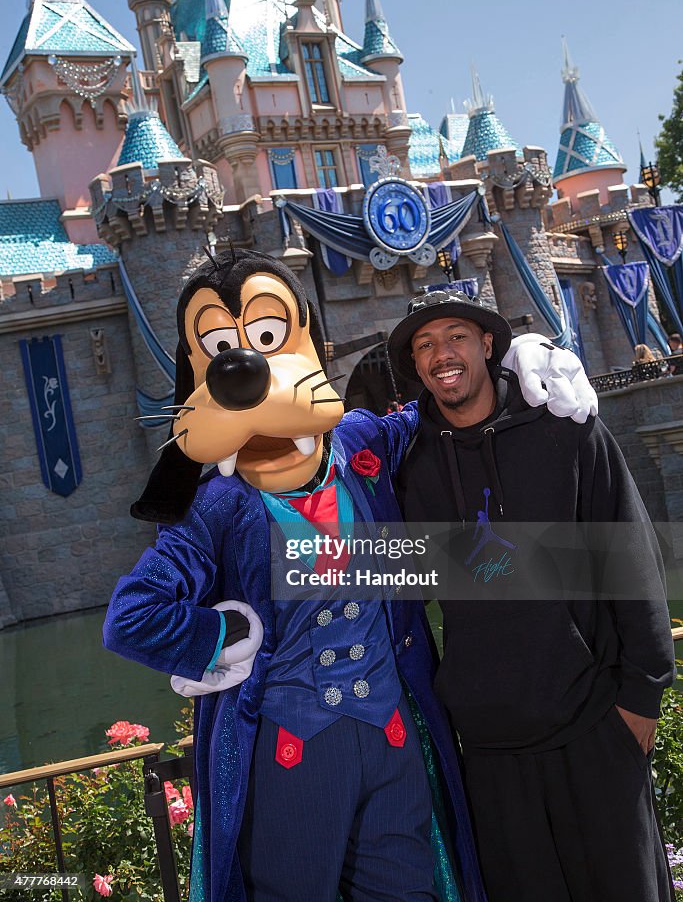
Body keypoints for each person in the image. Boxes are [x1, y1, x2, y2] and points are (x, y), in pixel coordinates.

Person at [103, 252, 596, 902]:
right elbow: (133, 617)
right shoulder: (213, 508)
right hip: (289, 756)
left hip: (392, 742)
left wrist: (507, 359)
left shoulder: (359, 445)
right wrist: (218, 637)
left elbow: (432, 411)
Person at [388, 288, 676, 902]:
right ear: (416, 365)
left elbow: (629, 553)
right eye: (426, 344)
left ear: (488, 344)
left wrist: (642, 697)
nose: (444, 354)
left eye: (458, 336)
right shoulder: (409, 466)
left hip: (595, 724)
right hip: (491, 753)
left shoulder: (566, 429)